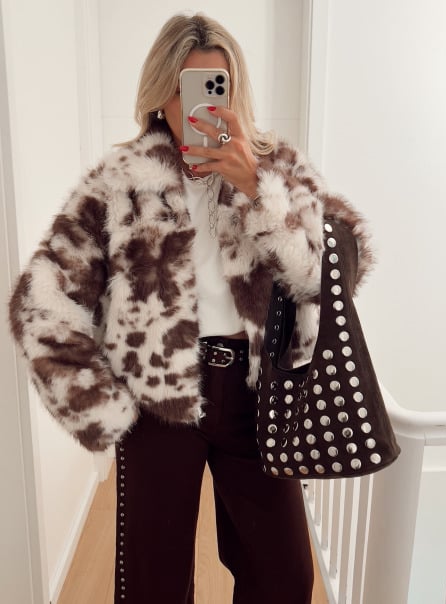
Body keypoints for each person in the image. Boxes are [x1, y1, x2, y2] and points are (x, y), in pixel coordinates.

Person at [9, 13, 373, 604]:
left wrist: (258, 191)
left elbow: (330, 277)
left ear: (234, 91)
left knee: (284, 577)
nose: (200, 107)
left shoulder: (276, 168)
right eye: (185, 89)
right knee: (151, 583)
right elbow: (40, 303)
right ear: (161, 93)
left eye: (215, 88)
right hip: (157, 404)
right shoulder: (119, 182)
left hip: (258, 398)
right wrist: (105, 408)